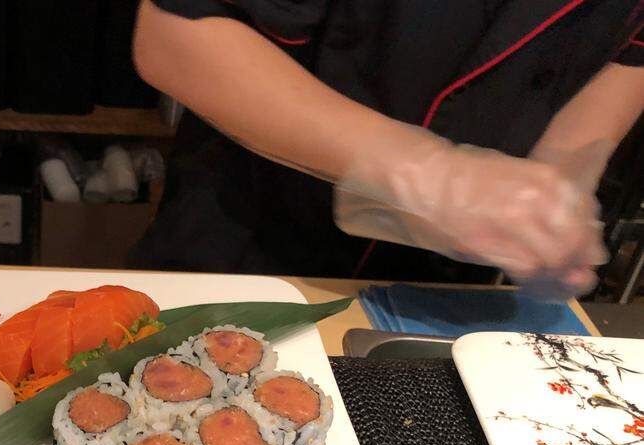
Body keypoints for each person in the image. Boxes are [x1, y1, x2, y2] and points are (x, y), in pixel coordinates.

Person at [128, 0, 644, 297]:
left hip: (457, 283)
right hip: (256, 241)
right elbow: (175, 33)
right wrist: (431, 174)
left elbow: (630, 53)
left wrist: (562, 183)